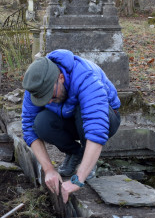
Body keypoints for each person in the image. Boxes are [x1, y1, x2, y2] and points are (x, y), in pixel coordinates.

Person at [21, 49, 121, 203]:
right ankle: (75, 153)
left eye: (51, 96)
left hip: (106, 117)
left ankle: (89, 163)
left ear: (60, 77)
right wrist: (49, 169)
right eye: (43, 99)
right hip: (69, 118)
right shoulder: (37, 85)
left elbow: (97, 127)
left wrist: (78, 179)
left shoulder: (85, 76)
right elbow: (28, 128)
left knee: (83, 110)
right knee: (40, 123)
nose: (47, 101)